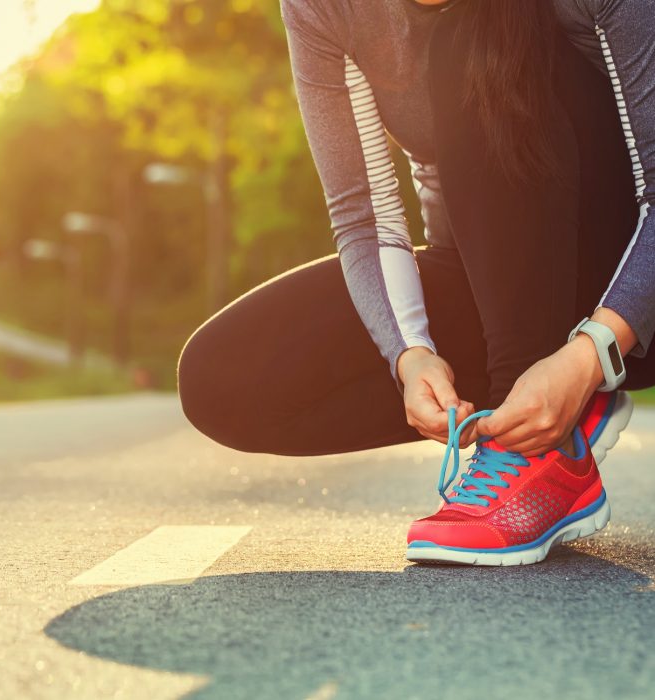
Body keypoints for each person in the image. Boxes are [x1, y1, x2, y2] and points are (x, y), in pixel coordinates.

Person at [175, 0, 655, 565]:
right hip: (504, 285)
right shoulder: (326, 9)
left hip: (629, 285)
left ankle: (538, 452)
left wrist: (592, 353)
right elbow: (366, 217)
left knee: (467, 37)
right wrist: (412, 355)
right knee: (223, 378)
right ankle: (544, 406)